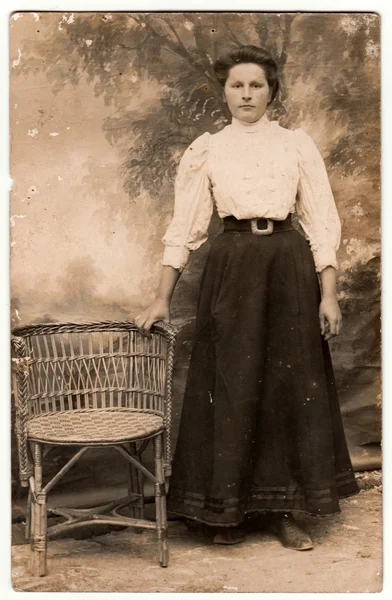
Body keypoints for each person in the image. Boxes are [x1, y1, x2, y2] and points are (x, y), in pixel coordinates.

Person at [135, 45, 359, 551]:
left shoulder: (297, 145)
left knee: (286, 383)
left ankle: (284, 512)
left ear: (272, 91)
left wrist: (329, 295)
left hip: (287, 266)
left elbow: (322, 221)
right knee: (232, 381)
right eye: (237, 85)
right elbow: (185, 229)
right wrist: (160, 300)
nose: (246, 94)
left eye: (256, 85)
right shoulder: (208, 149)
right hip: (232, 266)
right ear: (224, 92)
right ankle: (227, 511)